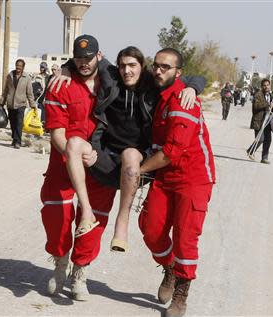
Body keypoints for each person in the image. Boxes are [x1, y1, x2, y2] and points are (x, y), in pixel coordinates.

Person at [58, 46, 206, 252]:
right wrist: (65, 68)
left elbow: (194, 77)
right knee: (73, 143)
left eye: (132, 66)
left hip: (138, 163)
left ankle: (122, 223)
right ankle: (87, 213)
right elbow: (86, 61)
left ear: (142, 67)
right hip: (106, 156)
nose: (126, 71)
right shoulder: (111, 76)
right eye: (122, 66)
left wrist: (192, 88)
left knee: (129, 154)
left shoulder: (153, 83)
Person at [138, 48, 215, 317]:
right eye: (156, 65)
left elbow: (172, 151)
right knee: (150, 228)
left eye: (165, 67)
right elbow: (115, 69)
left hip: (193, 179)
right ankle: (170, 268)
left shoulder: (183, 99)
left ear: (177, 73)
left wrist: (137, 171)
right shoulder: (160, 92)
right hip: (166, 176)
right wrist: (66, 68)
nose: (158, 70)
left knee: (185, 238)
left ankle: (181, 293)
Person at [40, 34, 117, 301]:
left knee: (95, 217)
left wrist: (192, 85)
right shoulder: (60, 85)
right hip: (64, 160)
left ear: (99, 55)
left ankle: (80, 271)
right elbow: (57, 134)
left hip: (97, 161)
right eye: (78, 58)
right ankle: (60, 262)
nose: (83, 63)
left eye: (89, 57)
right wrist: (73, 155)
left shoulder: (113, 81)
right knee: (55, 214)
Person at [0, 59, 36, 148]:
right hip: (10, 104)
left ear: (23, 67)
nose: (18, 67)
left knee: (19, 122)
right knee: (12, 123)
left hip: (21, 104)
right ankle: (14, 139)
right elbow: (6, 90)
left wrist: (33, 105)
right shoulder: (10, 76)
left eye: (20, 66)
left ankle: (18, 141)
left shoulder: (26, 78)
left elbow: (29, 93)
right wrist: (1, 102)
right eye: (17, 65)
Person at [246, 78, 273, 164]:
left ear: (270, 86)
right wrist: (267, 104)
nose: (266, 87)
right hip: (259, 121)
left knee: (268, 140)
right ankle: (250, 150)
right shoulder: (258, 94)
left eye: (268, 85)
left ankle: (264, 158)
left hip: (268, 121)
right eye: (264, 85)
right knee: (260, 139)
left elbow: (272, 106)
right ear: (262, 86)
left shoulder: (271, 95)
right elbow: (256, 106)